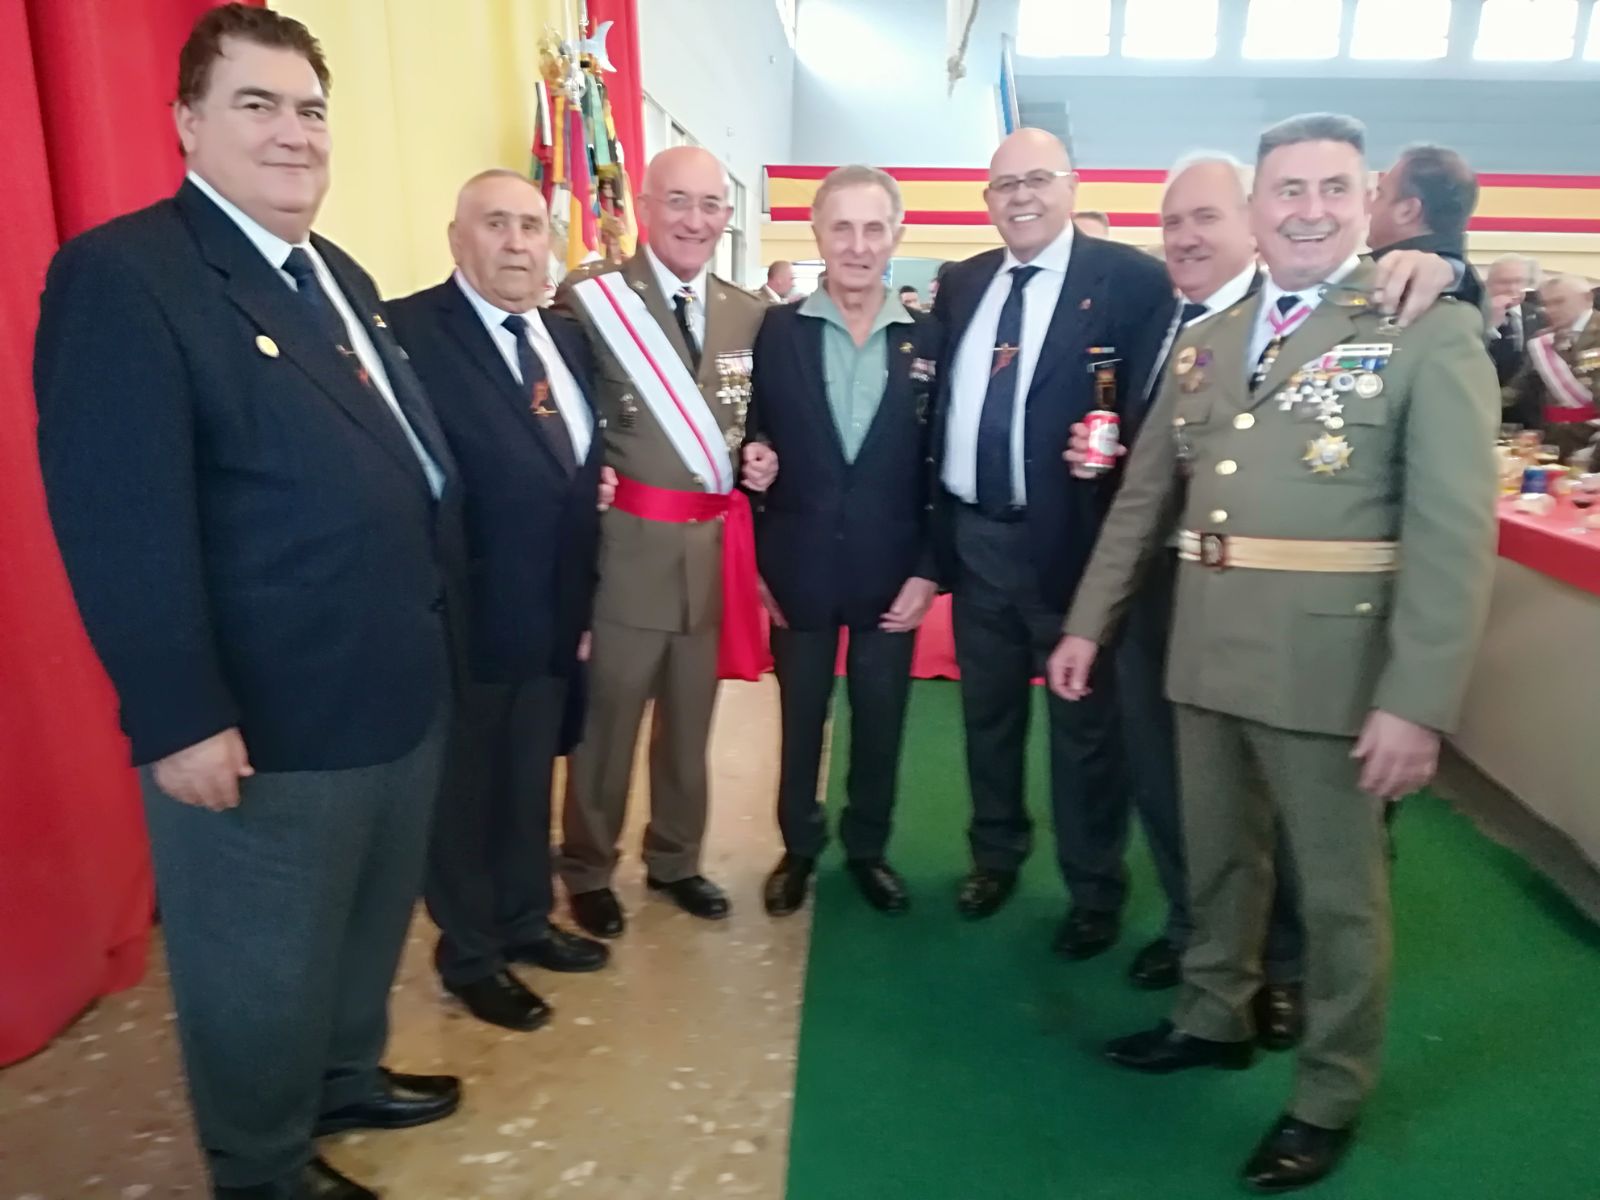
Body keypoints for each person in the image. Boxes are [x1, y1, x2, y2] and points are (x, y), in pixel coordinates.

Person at [33, 7, 463, 1197]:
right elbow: (117, 518)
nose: (292, 133)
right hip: (267, 721)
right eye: (256, 105)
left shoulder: (339, 276)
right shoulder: (127, 276)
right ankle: (263, 1165)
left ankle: (344, 1077)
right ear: (187, 122)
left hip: (393, 691)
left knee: (364, 929)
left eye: (310, 109)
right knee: (258, 966)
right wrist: (177, 716)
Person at [1048, 112, 1499, 1192]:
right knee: (1217, 859)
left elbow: (1453, 535)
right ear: (1256, 211)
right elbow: (1144, 500)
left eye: (1332, 189)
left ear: (1367, 204)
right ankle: (1213, 1015)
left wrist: (1418, 699)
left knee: (1339, 898)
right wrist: (1087, 622)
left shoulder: (1421, 326)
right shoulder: (1208, 339)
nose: (1307, 210)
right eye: (1286, 190)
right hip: (1205, 651)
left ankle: (1329, 1091)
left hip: (1331, 668)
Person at [929, 128, 1171, 954]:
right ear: (987, 200)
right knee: (987, 717)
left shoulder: (1132, 280)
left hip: (1077, 547)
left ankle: (1094, 887)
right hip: (977, 541)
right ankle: (994, 855)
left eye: (1038, 179)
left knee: (1086, 732)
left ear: (1072, 185)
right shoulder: (964, 283)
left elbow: (1161, 403)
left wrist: (1119, 449)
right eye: (1005, 185)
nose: (1021, 196)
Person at [388, 170, 615, 1033]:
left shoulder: (567, 339)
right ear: (458, 239)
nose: (517, 243)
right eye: (495, 224)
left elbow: (574, 468)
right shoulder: (408, 332)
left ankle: (525, 919)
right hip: (464, 617)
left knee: (527, 779)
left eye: (531, 226)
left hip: (554, 612)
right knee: (466, 794)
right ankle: (471, 954)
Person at [555, 146, 778, 938]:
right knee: (608, 726)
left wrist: (762, 452)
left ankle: (677, 859)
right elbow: (555, 412)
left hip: (711, 554)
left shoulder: (748, 312)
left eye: (711, 205)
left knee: (691, 723)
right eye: (677, 201)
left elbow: (755, 419)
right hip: (628, 553)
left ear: (727, 217)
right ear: (645, 207)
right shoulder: (591, 300)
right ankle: (587, 866)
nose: (694, 220)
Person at [1114, 153, 1307, 1049]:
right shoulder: (1163, 318)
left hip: (1251, 595)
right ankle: (1199, 933)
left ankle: (1284, 962)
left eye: (1206, 218)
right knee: (1168, 778)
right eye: (1172, 222)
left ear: (1253, 224)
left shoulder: (1288, 321)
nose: (1185, 237)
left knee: (1265, 792)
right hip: (1154, 588)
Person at [749, 166, 941, 918]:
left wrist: (928, 569)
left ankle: (868, 848)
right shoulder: (778, 331)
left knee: (882, 719)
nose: (858, 246)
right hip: (797, 566)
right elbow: (754, 431)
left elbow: (941, 464)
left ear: (895, 235)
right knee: (800, 721)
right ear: (818, 234)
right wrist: (758, 462)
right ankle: (799, 847)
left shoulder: (929, 338)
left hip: (892, 574)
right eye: (842, 228)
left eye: (873, 228)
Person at [1366, 143, 1484, 307]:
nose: (1370, 207)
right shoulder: (1465, 287)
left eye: (1381, 195)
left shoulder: (1390, 280)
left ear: (1407, 211)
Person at [1502, 273, 1600, 461]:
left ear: (1587, 299)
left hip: (1593, 449)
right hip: (1555, 445)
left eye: (1559, 302)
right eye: (1546, 304)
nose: (1550, 310)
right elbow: (1516, 389)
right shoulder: (1543, 341)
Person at [1485, 253, 1543, 387]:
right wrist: (1490, 325)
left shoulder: (1539, 315)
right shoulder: (1473, 314)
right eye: (1504, 282)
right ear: (1488, 285)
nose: (1512, 288)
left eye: (1518, 282)